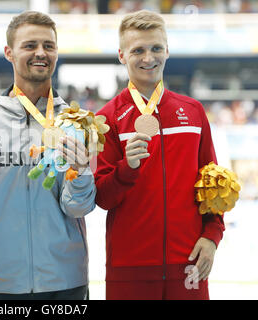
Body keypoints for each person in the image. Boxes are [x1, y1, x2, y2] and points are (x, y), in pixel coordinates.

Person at [94, 10, 225, 300]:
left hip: (189, 262)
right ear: (121, 55)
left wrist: (212, 236)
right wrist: (126, 168)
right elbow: (102, 197)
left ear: (167, 50)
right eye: (137, 50)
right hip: (129, 269)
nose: (148, 57)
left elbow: (213, 184)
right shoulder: (107, 119)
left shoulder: (192, 112)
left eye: (155, 48)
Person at [0, 11, 96, 300]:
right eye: (29, 45)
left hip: (66, 282)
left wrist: (81, 172)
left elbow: (79, 207)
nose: (40, 53)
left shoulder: (76, 122)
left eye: (48, 46)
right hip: (3, 284)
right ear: (9, 52)